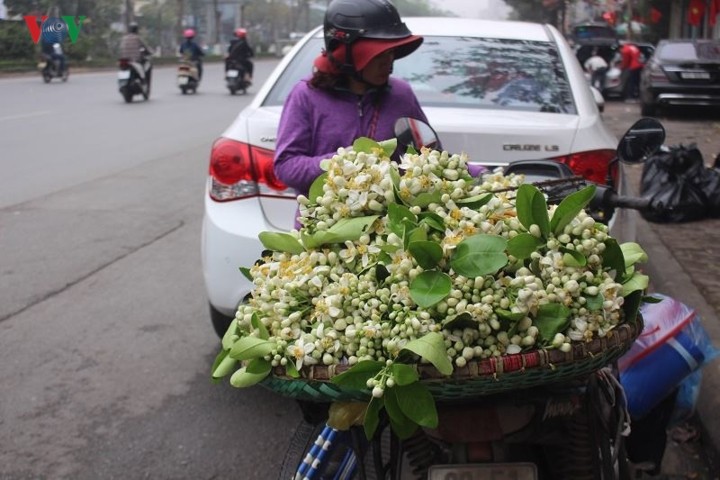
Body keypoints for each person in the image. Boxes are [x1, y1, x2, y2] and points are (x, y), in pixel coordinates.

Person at [273, 0, 429, 200]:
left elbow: (429, 155)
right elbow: (286, 166)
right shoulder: (306, 95)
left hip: (391, 226)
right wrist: (341, 162)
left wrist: (477, 174)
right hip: (324, 225)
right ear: (346, 54)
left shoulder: (401, 94)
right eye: (378, 54)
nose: (388, 61)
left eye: (391, 52)